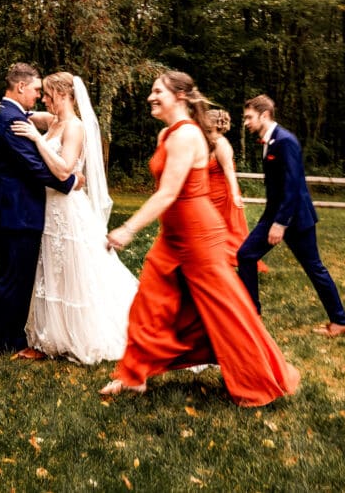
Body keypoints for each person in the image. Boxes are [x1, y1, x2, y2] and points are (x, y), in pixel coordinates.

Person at [101, 72, 299, 406]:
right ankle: (134, 376)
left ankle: (260, 378)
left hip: (198, 236)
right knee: (147, 306)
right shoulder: (167, 134)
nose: (151, 97)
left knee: (224, 312)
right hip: (174, 235)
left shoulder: (187, 135)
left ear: (179, 96)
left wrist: (128, 228)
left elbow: (167, 194)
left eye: (157, 91)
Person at [10, 72, 138, 364]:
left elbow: (66, 171)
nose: (44, 98)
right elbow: (27, 113)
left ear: (63, 94)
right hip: (48, 208)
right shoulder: (53, 120)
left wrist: (36, 141)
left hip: (68, 209)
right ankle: (48, 336)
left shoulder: (76, 127)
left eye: (48, 94)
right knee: (51, 271)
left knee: (72, 270)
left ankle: (78, 334)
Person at [0, 63, 77, 354]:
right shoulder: (11, 119)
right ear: (20, 87)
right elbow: (34, 166)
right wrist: (70, 182)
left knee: (10, 275)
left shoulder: (10, 113)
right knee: (15, 278)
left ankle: (5, 336)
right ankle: (8, 342)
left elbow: (49, 117)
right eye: (36, 90)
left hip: (8, 209)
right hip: (15, 213)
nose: (38, 96)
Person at [236, 95, 345, 337]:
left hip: (295, 219)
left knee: (314, 269)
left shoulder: (285, 141)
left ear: (264, 115)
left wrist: (280, 223)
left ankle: (341, 323)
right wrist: (270, 220)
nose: (246, 122)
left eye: (249, 117)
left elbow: (293, 185)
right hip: (275, 215)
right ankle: (252, 316)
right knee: (246, 255)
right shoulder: (269, 140)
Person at [205, 109, 266, 273]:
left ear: (214, 125)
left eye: (207, 128)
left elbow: (229, 170)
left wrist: (234, 194)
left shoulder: (221, 144)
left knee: (223, 230)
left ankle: (226, 261)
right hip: (208, 193)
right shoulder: (209, 143)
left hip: (221, 194)